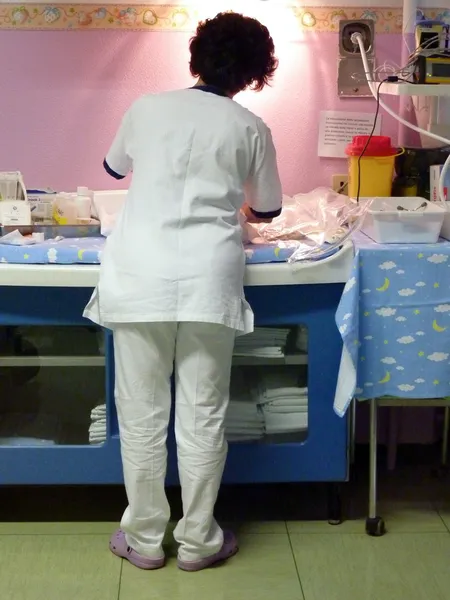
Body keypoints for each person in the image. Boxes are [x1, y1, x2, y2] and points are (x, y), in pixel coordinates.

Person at [84, 11, 282, 572]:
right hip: (208, 280)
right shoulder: (250, 126)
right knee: (203, 413)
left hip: (138, 274)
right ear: (254, 73)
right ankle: (199, 541)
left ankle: (144, 539)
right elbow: (267, 208)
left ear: (196, 56)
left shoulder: (146, 108)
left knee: (142, 414)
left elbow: (113, 167)